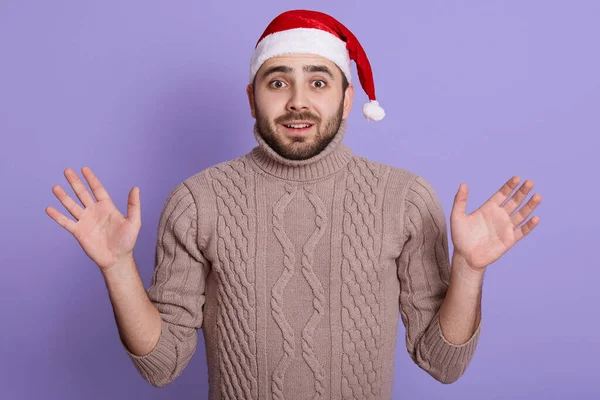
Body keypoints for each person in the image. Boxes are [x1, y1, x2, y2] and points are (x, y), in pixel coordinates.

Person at [45, 9, 542, 400]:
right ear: (251, 97)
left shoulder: (405, 199)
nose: (298, 101)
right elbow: (162, 365)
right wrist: (116, 267)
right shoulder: (197, 201)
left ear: (348, 99)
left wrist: (470, 270)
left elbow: (443, 363)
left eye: (319, 82)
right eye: (278, 82)